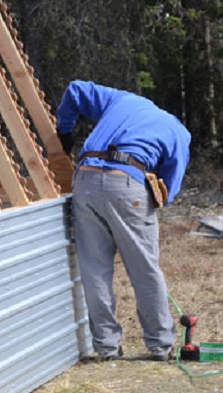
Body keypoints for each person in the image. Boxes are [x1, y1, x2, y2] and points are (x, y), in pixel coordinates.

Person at [56, 80, 191, 362]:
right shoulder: (178, 131)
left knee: (95, 268)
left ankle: (106, 347)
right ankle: (160, 344)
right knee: (144, 268)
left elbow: (76, 89)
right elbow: (171, 182)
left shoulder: (123, 100)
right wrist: (156, 201)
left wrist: (64, 131)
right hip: (127, 181)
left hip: (85, 178)